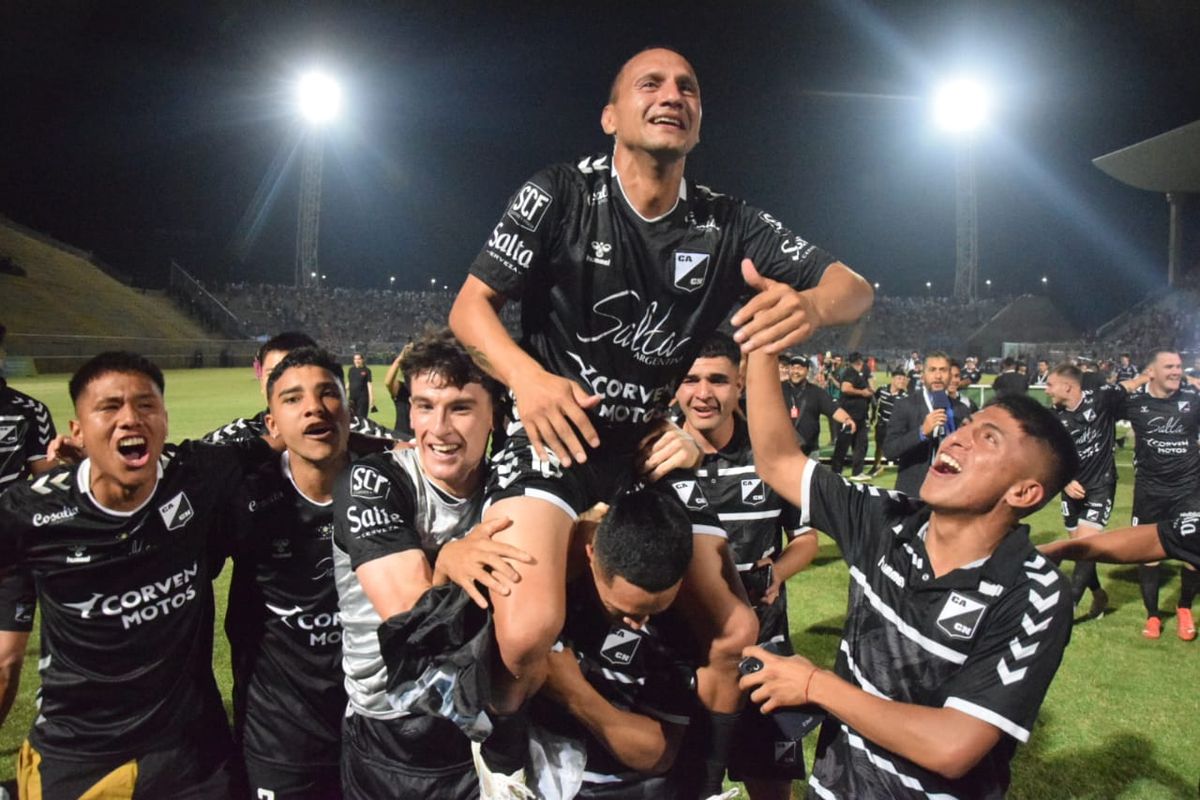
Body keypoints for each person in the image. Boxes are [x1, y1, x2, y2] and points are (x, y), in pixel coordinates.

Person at [448, 45, 873, 796]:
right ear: (612, 115)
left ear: (699, 121)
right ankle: (501, 751)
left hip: (646, 449)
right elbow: (469, 307)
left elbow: (855, 287)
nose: (671, 93)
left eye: (688, 87)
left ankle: (701, 781)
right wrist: (529, 379)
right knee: (526, 628)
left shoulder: (727, 223)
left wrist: (810, 305)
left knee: (736, 631)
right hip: (553, 437)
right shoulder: (558, 194)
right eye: (650, 83)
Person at [740, 348, 1077, 799]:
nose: (957, 439)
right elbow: (779, 460)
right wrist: (764, 342)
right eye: (967, 427)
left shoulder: (1033, 592)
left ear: (1023, 491)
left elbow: (953, 745)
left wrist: (814, 684)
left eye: (989, 439)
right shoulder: (885, 520)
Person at [0, 352, 276, 797]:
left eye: (146, 405)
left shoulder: (199, 474)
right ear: (77, 432)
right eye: (109, 407)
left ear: (165, 420)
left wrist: (401, 449)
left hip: (195, 754)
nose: (131, 418)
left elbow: (296, 437)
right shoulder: (30, 511)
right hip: (84, 756)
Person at [331, 329, 522, 799]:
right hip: (391, 733)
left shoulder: (515, 484)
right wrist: (448, 560)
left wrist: (681, 441)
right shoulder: (372, 481)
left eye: (459, 407)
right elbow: (411, 618)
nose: (438, 428)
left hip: (485, 725)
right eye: (423, 406)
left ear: (494, 415)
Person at [674, 334, 816, 799]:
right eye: (690, 379)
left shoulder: (771, 450)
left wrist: (776, 572)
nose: (703, 393)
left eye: (717, 379)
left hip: (765, 651)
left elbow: (806, 539)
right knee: (684, 784)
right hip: (683, 654)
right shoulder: (653, 454)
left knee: (771, 788)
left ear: (739, 383)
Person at [222, 346, 355, 798]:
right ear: (272, 425)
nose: (314, 407)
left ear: (349, 410)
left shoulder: (388, 488)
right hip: (281, 741)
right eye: (293, 398)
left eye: (327, 394)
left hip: (373, 734)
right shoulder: (244, 499)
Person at [533, 488, 700, 799]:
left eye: (654, 610)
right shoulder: (548, 580)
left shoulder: (682, 625)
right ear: (591, 554)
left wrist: (575, 693)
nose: (638, 624)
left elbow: (658, 753)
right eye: (623, 611)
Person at [1043, 362, 1140, 619]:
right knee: (1080, 549)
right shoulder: (1053, 417)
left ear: (1068, 386)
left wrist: (1149, 375)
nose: (1046, 389)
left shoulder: (1100, 400)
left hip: (1101, 485)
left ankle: (1068, 609)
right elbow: (1049, 457)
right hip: (1071, 488)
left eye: (1050, 384)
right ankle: (1099, 594)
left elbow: (1127, 386)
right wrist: (1064, 480)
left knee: (1085, 546)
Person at [0, 320, 60, 727]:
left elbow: (45, 474)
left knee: (6, 664)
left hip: (11, 556)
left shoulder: (28, 411)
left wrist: (68, 460)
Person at [1120, 349, 1200, 640]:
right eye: (1169, 367)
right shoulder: (1136, 403)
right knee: (1148, 553)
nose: (1176, 371)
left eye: (1179, 366)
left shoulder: (1192, 400)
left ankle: (1184, 607)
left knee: (1193, 551)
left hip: (1189, 489)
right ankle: (1153, 615)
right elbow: (1101, 397)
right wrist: (1139, 378)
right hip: (1150, 490)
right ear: (1151, 372)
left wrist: (1193, 379)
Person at [204, 331, 393, 443]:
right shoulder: (234, 438)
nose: (286, 385)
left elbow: (412, 449)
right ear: (262, 383)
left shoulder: (357, 431)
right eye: (273, 376)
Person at [883, 352, 971, 497]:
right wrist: (921, 432)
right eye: (932, 370)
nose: (938, 376)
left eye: (943, 370)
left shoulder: (961, 409)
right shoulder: (905, 405)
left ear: (950, 375)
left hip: (951, 493)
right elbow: (890, 450)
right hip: (915, 494)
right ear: (923, 376)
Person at [780, 355, 855, 454]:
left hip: (809, 450)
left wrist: (847, 419)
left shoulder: (816, 392)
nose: (796, 372)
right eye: (793, 368)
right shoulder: (778, 389)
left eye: (800, 368)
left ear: (807, 370)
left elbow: (833, 409)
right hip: (783, 450)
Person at [830, 352, 873, 480]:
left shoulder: (855, 372)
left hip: (859, 415)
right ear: (859, 362)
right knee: (843, 444)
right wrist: (862, 393)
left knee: (861, 444)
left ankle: (857, 472)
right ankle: (836, 471)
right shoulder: (850, 372)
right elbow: (845, 388)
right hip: (848, 415)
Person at [869, 369, 907, 477]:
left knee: (899, 447)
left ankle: (903, 466)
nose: (902, 381)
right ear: (893, 379)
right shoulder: (882, 390)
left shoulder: (904, 396)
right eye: (899, 379)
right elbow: (874, 400)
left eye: (903, 379)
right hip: (881, 424)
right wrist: (873, 415)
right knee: (879, 446)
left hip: (895, 427)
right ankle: (876, 465)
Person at [384, 344, 414, 439]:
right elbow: (388, 382)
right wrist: (399, 359)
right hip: (401, 436)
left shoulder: (424, 391)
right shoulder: (401, 389)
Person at [346, 352, 375, 421]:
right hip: (352, 398)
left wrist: (372, 400)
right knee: (352, 419)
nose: (357, 361)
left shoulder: (367, 371)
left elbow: (369, 386)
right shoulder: (351, 370)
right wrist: (343, 392)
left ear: (362, 360)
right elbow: (349, 383)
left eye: (359, 359)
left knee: (362, 419)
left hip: (363, 399)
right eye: (355, 359)